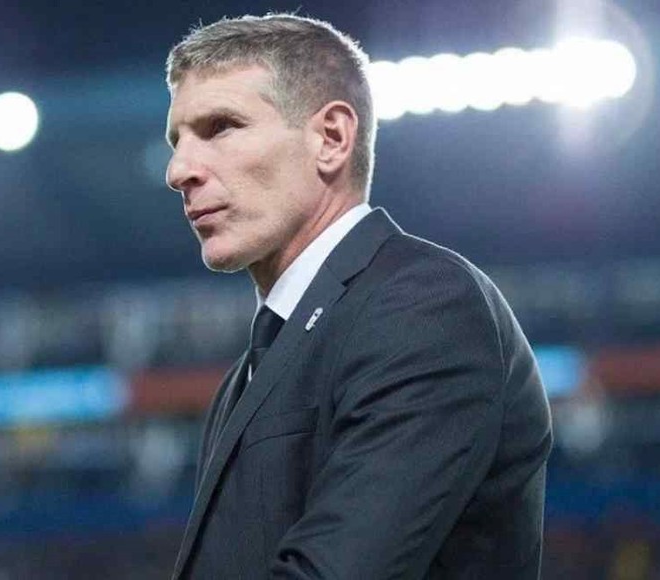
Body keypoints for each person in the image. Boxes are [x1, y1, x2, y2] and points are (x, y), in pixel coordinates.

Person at [164, 13, 552, 579]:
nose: (179, 170)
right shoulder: (247, 372)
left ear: (331, 139)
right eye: (177, 141)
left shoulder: (424, 306)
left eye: (220, 127)